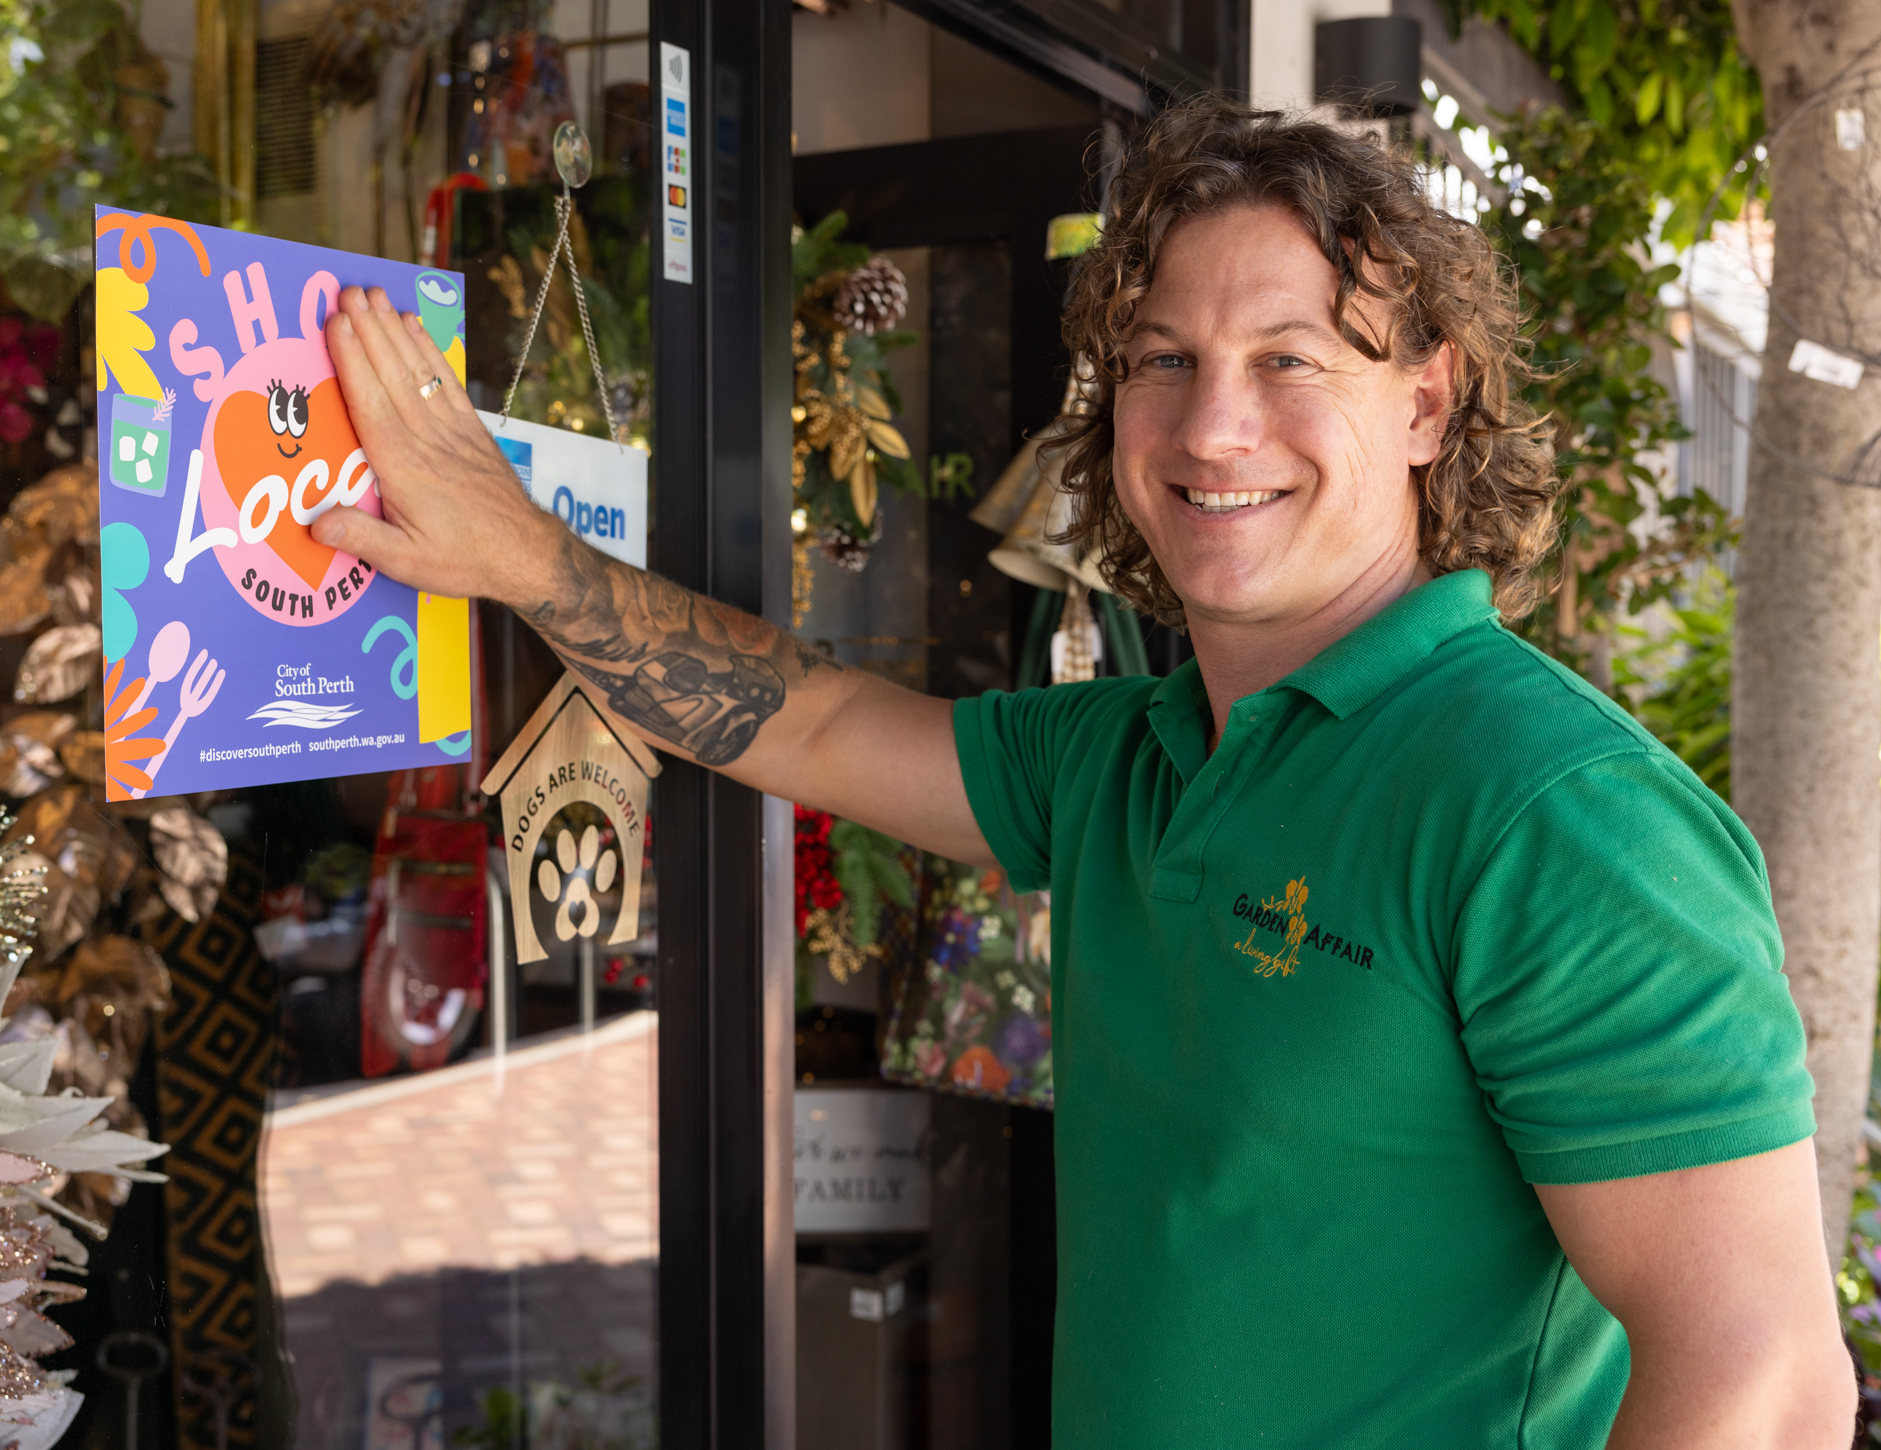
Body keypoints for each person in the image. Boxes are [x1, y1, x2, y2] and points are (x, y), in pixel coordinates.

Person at [308, 101, 1853, 1447]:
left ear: (1428, 404)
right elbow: (816, 722)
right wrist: (516, 553)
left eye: (1288, 357)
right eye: (1162, 359)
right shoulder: (1134, 752)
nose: (1212, 421)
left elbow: (1766, 1386)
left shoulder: (1554, 812)